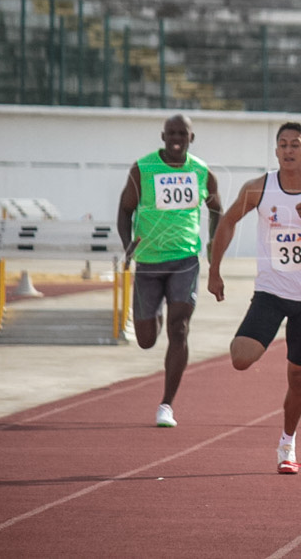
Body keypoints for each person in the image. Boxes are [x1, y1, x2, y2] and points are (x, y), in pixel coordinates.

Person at [207, 122, 301, 474]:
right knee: (241, 358)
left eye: (295, 145)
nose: (288, 150)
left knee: (298, 376)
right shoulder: (259, 187)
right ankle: (267, 333)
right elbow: (226, 222)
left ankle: (287, 443)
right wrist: (214, 270)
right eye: (282, 145)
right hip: (271, 292)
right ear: (276, 151)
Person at [117, 114, 222, 428]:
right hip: (148, 260)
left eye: (183, 133)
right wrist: (127, 245)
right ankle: (156, 315)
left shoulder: (201, 171)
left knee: (180, 329)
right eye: (171, 133)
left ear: (192, 137)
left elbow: (217, 209)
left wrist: (213, 243)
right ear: (163, 136)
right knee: (147, 339)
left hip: (184, 259)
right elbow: (125, 209)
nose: (177, 138)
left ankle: (166, 404)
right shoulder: (143, 168)